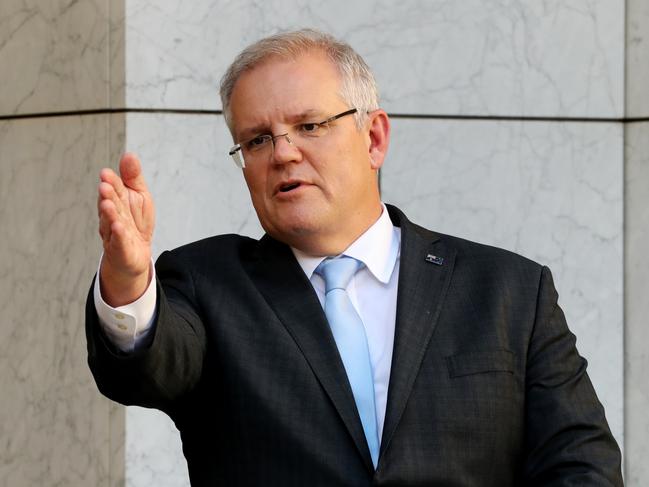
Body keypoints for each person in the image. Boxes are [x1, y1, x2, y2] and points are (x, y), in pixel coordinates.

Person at [86, 29, 623, 486]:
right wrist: (130, 280)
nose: (283, 152)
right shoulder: (209, 283)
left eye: (309, 125)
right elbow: (147, 368)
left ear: (373, 137)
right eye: (256, 140)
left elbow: (582, 464)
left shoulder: (507, 290)